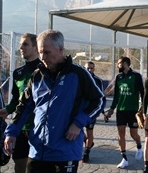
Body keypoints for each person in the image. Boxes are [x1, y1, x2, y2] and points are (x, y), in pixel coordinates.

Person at [4, 29, 106, 173]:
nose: (43, 57)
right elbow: (24, 106)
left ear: (60, 49)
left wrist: (78, 123)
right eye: (40, 52)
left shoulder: (78, 74)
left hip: (65, 152)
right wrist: (12, 132)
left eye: (47, 52)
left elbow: (99, 101)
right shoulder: (37, 76)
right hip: (38, 151)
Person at [0, 33, 40, 173]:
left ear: (36, 47)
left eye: (25, 44)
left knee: (36, 167)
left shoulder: (46, 70)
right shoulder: (18, 73)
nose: (21, 48)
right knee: (20, 165)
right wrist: (7, 110)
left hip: (39, 128)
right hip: (20, 128)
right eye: (20, 45)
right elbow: (16, 100)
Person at [107, 56, 144, 169]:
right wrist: (112, 109)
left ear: (125, 64)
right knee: (121, 134)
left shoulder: (136, 76)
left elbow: (143, 93)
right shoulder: (119, 77)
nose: (118, 65)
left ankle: (139, 146)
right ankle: (124, 159)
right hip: (121, 111)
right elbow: (116, 95)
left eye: (119, 63)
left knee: (134, 134)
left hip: (133, 111)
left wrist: (142, 108)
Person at [82, 61, 107, 163]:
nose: (89, 70)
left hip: (91, 111)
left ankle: (86, 153)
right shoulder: (81, 78)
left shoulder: (98, 81)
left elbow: (101, 97)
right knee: (79, 131)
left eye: (92, 68)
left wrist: (101, 111)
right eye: (88, 68)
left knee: (90, 131)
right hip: (80, 110)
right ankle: (87, 141)